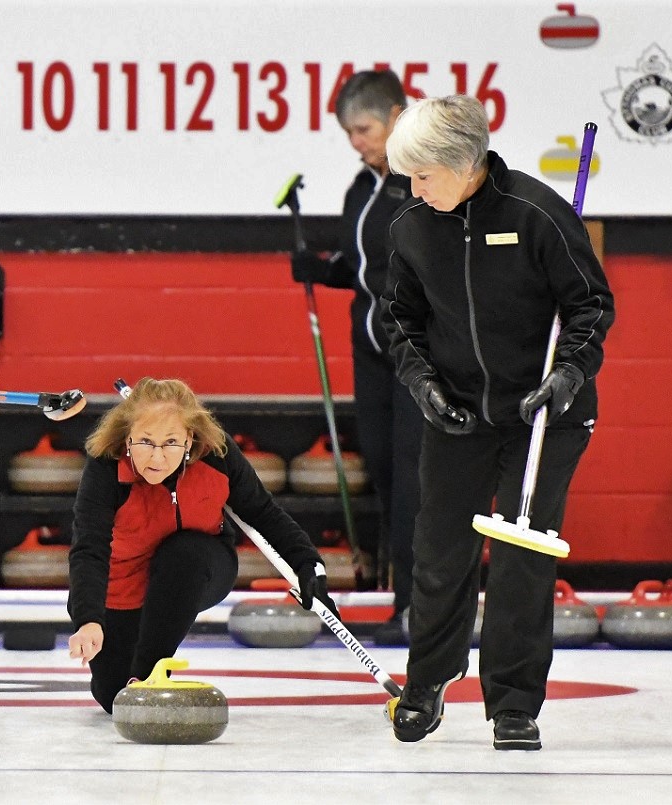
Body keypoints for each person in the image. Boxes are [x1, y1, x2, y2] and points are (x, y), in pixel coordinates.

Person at [381, 95, 614, 750]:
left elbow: (589, 305)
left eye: (422, 175)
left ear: (462, 163)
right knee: (438, 552)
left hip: (543, 414)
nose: (414, 189)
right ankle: (426, 681)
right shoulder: (410, 226)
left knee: (519, 556)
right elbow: (398, 319)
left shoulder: (536, 215)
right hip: (456, 411)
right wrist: (421, 382)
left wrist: (567, 373)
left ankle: (512, 703)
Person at [66, 377, 339, 713]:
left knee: (183, 553)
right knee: (113, 697)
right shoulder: (106, 465)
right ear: (127, 438)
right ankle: (129, 678)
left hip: (198, 566)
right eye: (146, 442)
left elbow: (263, 513)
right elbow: (89, 548)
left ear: (190, 439)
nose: (157, 457)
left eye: (170, 443)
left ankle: (147, 677)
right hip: (124, 584)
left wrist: (309, 565)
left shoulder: (216, 455)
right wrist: (88, 619)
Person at [289, 69, 421, 645]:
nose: (356, 142)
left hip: (422, 355)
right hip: (371, 354)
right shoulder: (362, 187)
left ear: (396, 116)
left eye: (363, 129)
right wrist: (323, 269)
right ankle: (401, 598)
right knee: (387, 474)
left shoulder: (429, 179)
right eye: (347, 133)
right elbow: (365, 267)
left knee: (418, 484)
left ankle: (420, 606)